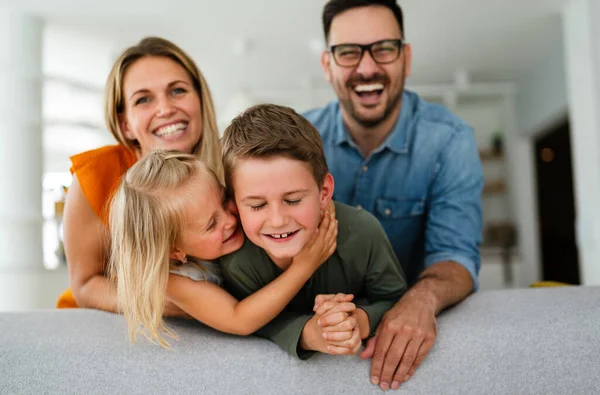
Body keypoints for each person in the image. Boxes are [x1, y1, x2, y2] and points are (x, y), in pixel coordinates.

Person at [302, 0, 484, 390]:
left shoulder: (450, 141)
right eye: (348, 52)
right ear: (327, 65)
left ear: (406, 57)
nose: (367, 68)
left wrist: (422, 300)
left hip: (408, 346)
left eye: (383, 49)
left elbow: (456, 257)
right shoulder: (298, 140)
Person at [219, 104, 407, 359]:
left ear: (324, 192)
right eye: (257, 205)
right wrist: (307, 333)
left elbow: (396, 299)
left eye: (293, 200)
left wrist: (358, 320)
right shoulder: (237, 259)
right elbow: (251, 320)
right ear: (234, 205)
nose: (276, 220)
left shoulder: (363, 232)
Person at [56, 37, 223, 313]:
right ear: (126, 124)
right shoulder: (98, 175)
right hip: (104, 323)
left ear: (201, 101)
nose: (166, 109)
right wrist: (183, 305)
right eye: (144, 99)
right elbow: (85, 285)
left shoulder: (234, 168)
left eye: (178, 91)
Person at [108, 149, 338, 347]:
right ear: (175, 251)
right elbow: (239, 320)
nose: (229, 220)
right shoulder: (174, 281)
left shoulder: (224, 231)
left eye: (224, 198)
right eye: (211, 224)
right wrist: (303, 267)